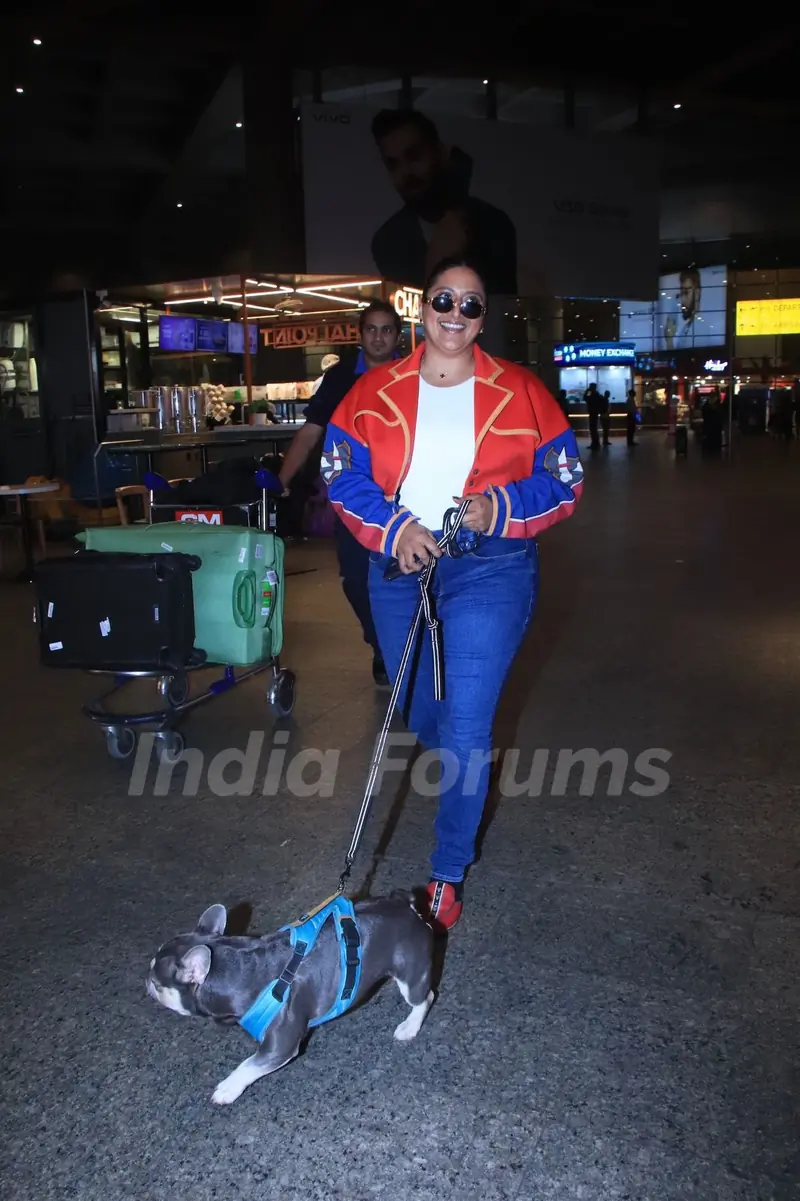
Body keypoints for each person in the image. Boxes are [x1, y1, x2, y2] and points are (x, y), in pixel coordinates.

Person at [323, 257, 583, 930]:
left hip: (491, 566)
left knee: (467, 724)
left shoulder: (522, 390)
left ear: (482, 318)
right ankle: (466, 780)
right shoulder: (372, 392)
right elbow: (340, 471)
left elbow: (564, 479)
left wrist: (499, 506)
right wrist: (393, 528)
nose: (455, 314)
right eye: (444, 299)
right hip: (400, 564)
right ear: (423, 307)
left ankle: (448, 871)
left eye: (471, 304)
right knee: (422, 711)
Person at [279, 300, 403, 686]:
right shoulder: (339, 378)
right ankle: (380, 644)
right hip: (354, 496)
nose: (378, 337)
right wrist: (282, 479)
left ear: (397, 336)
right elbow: (311, 431)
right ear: (360, 334)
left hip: (405, 494)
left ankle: (398, 649)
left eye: (386, 330)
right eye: (371, 329)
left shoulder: (415, 374)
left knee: (404, 574)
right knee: (355, 577)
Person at [369, 109, 517, 295]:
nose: (406, 173)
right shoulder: (387, 242)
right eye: (393, 165)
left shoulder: (494, 223)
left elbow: (501, 301)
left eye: (414, 156)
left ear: (439, 152)